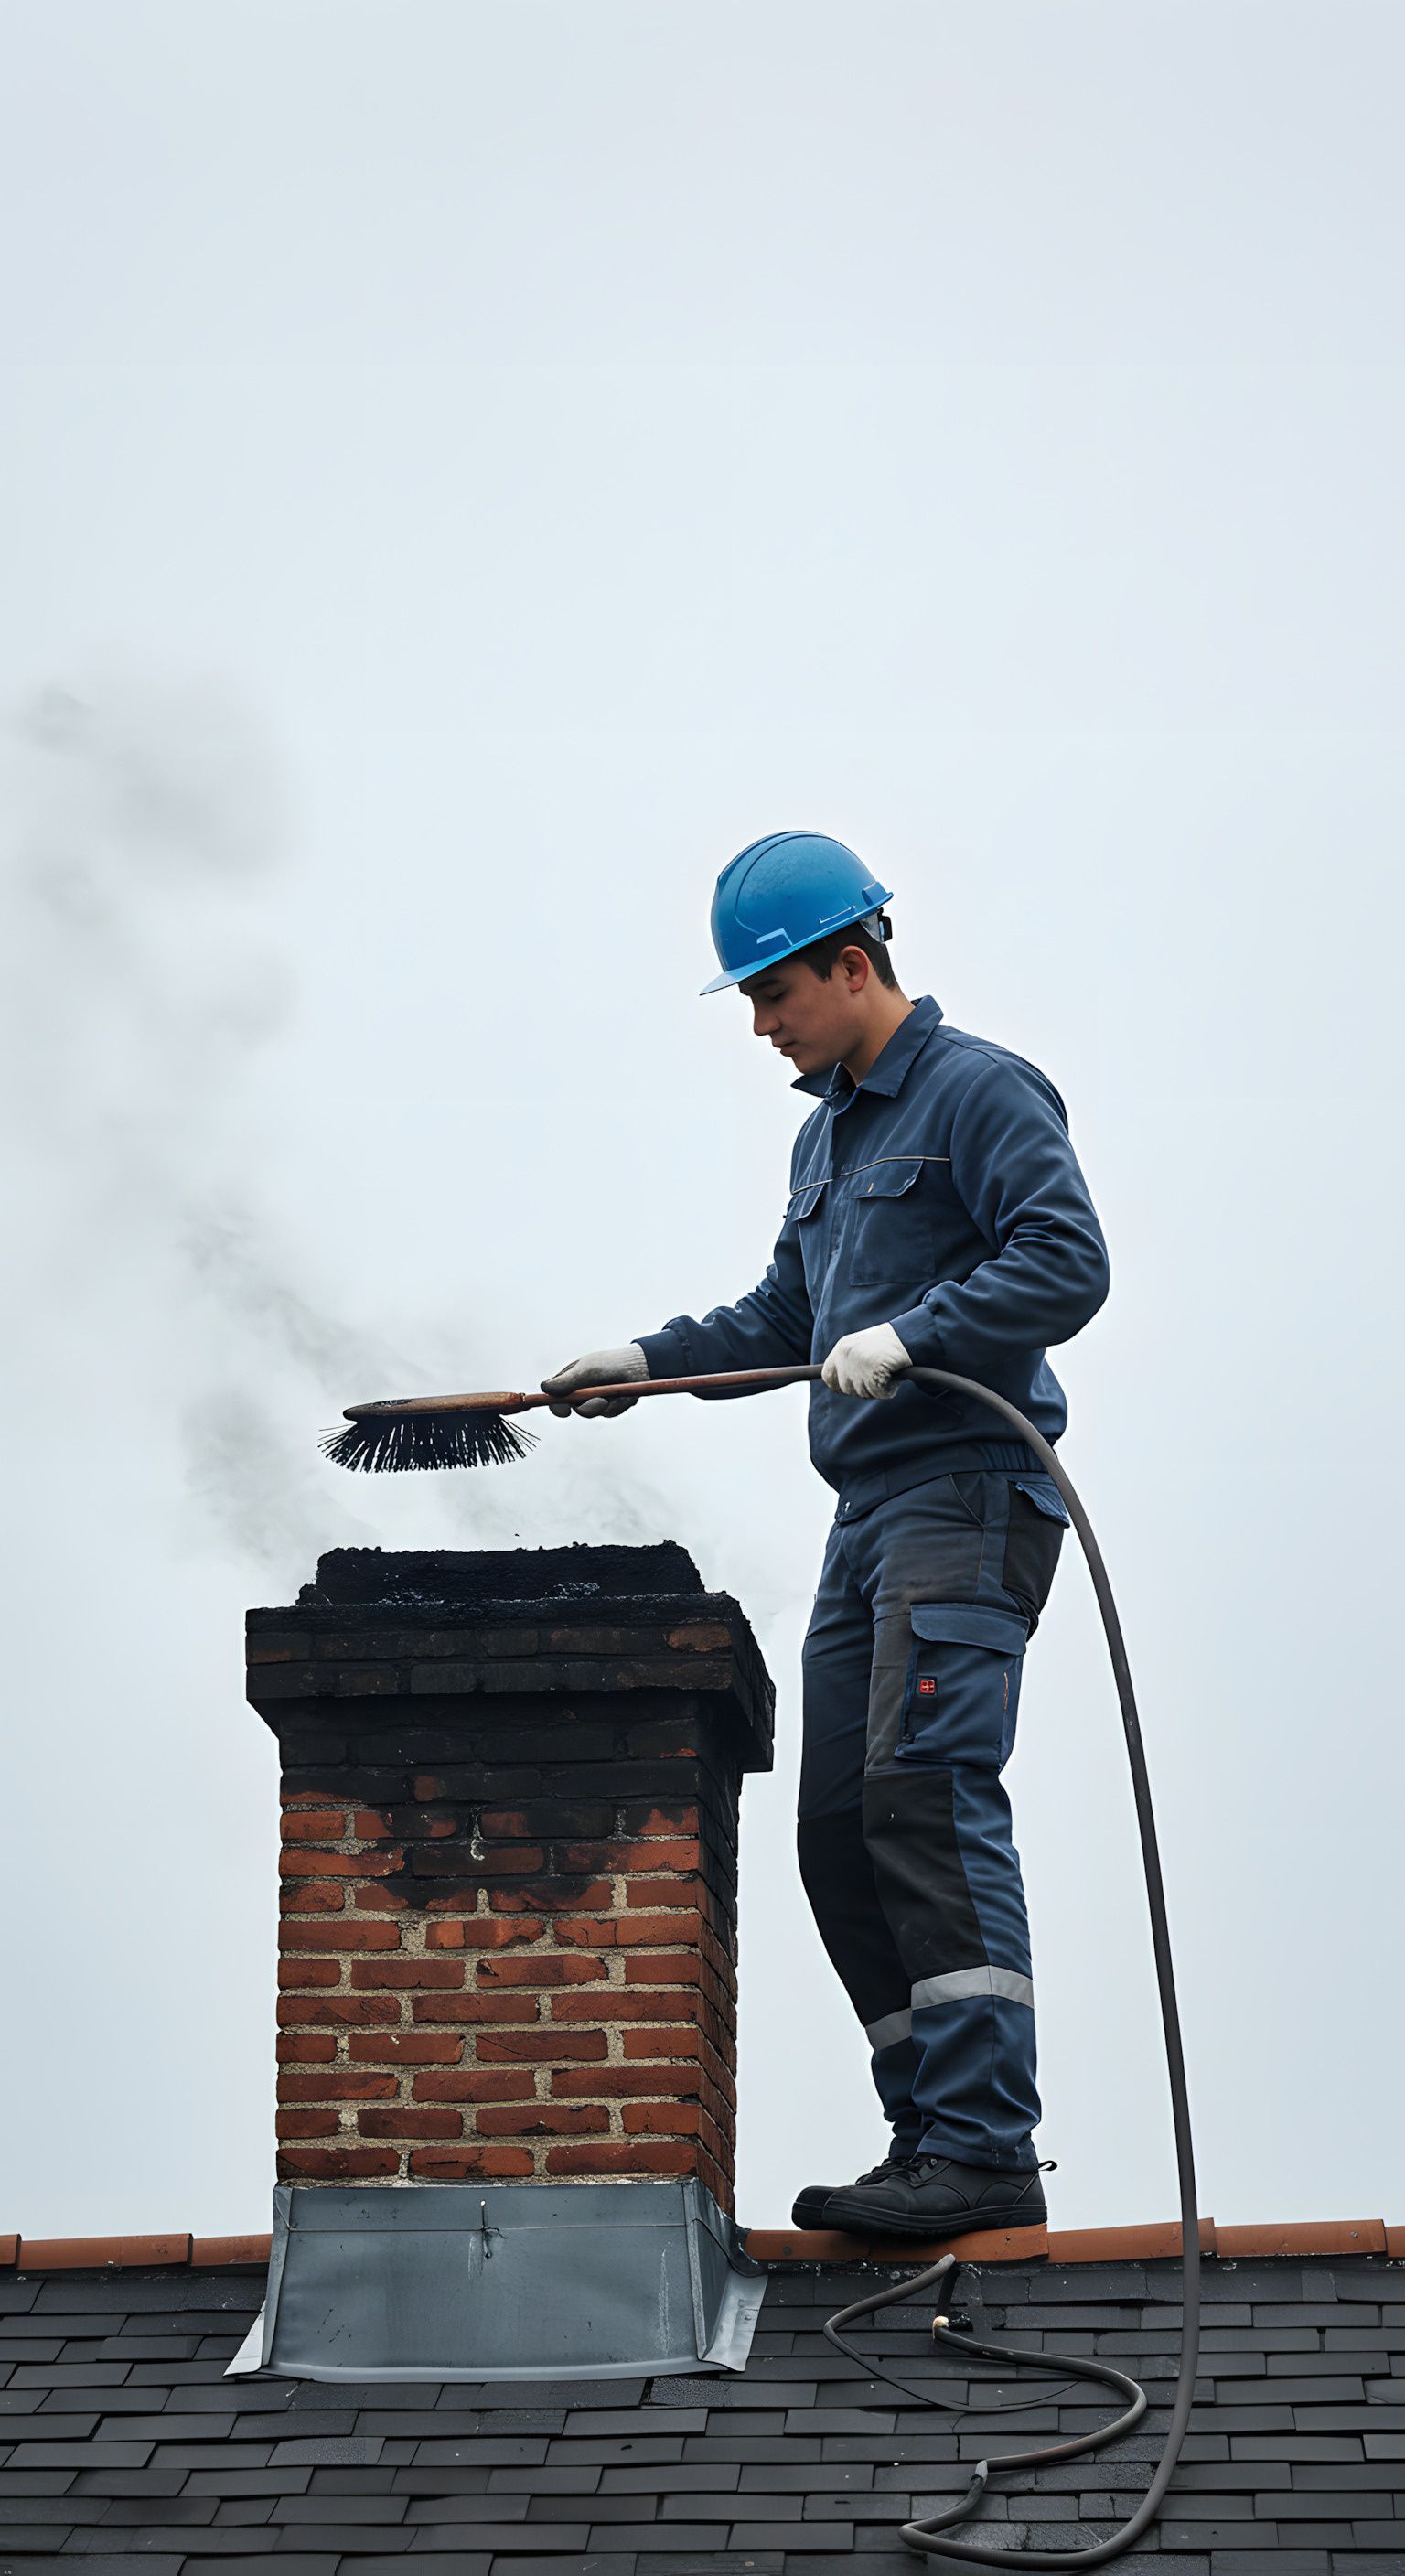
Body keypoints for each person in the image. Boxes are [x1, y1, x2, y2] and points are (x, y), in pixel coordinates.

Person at [542, 832, 1110, 2239]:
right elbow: (786, 1325)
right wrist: (648, 1361)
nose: (760, 1025)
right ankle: (931, 2132)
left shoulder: (979, 1090)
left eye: (773, 993)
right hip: (869, 1517)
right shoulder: (829, 1136)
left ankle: (986, 2140)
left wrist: (919, 1334)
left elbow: (1066, 1257)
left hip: (968, 1491)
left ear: (853, 965)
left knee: (925, 1790)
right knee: (839, 1826)